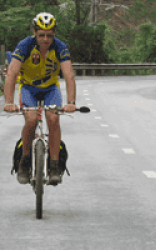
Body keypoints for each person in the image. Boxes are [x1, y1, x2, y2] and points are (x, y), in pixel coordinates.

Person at [4, 12, 76, 185]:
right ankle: (25, 161)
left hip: (50, 88)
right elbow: (12, 72)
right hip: (28, 87)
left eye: (50, 35)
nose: (46, 39)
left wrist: (71, 102)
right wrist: (8, 102)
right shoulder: (25, 45)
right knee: (30, 119)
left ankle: (54, 165)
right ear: (34, 32)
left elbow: (68, 75)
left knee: (53, 118)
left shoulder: (60, 47)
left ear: (54, 34)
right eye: (41, 35)